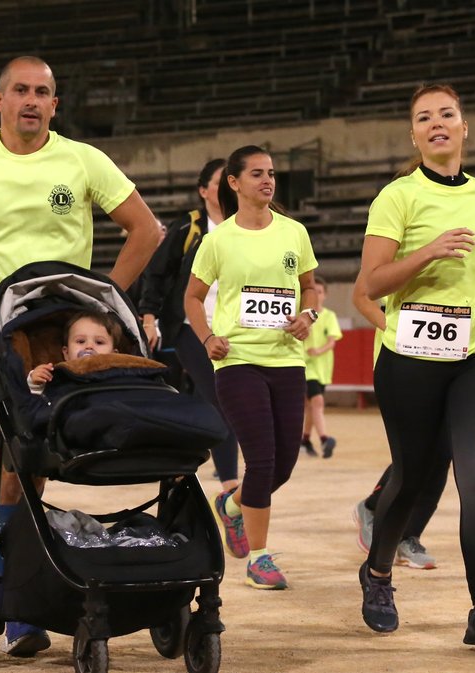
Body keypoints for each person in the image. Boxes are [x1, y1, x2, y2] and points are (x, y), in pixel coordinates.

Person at [0, 55, 161, 656]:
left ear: (55, 104)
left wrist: (104, 302)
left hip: (59, 340)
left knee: (38, 462)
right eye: (20, 90)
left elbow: (146, 230)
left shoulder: (83, 160)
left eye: (42, 92)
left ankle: (2, 557)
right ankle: (15, 601)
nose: (31, 101)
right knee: (11, 464)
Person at [355, 84, 475, 646]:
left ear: (465, 128)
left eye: (447, 114)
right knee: (411, 478)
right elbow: (372, 283)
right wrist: (426, 252)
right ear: (413, 135)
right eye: (423, 118)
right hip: (409, 358)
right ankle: (378, 572)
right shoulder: (397, 197)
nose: (437, 123)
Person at [184, 144, 319, 591]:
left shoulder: (294, 233)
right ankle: (259, 558)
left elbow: (310, 290)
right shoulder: (217, 240)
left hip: (287, 360)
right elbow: (191, 297)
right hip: (238, 361)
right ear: (235, 183)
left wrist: (309, 316)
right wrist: (207, 339)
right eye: (257, 173)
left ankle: (232, 506)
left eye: (272, 173)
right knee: (260, 460)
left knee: (282, 467)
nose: (268, 180)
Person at [139, 159, 241, 492]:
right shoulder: (189, 228)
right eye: (218, 182)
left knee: (212, 404)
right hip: (190, 328)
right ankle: (229, 491)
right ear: (203, 191)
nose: (227, 186)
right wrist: (149, 316)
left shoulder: (249, 227)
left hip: (237, 331)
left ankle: (180, 475)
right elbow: (156, 272)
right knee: (223, 399)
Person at [350, 273, 448, 571]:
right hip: (402, 360)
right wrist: (395, 330)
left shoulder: (460, 242)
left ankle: (410, 536)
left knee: (444, 452)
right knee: (416, 451)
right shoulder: (393, 244)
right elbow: (361, 296)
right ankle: (372, 509)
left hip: (450, 359)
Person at [300, 279, 342, 458]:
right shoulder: (302, 315)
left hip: (323, 367)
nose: (316, 295)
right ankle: (325, 438)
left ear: (324, 295)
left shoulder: (329, 316)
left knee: (311, 405)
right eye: (313, 291)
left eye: (319, 292)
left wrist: (318, 350)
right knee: (317, 401)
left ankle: (305, 439)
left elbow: (332, 342)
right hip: (306, 366)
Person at [27, 311, 119, 393]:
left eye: (99, 342)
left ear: (114, 355)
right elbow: (35, 405)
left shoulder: (119, 377)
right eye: (80, 341)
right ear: (66, 353)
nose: (89, 346)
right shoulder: (57, 377)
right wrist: (36, 385)